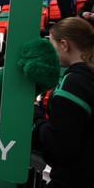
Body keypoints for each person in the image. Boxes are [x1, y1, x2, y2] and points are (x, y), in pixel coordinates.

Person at [32, 17, 94, 188]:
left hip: (73, 179)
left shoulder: (72, 83)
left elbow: (60, 145)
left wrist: (36, 116)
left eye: (51, 44)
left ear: (64, 45)